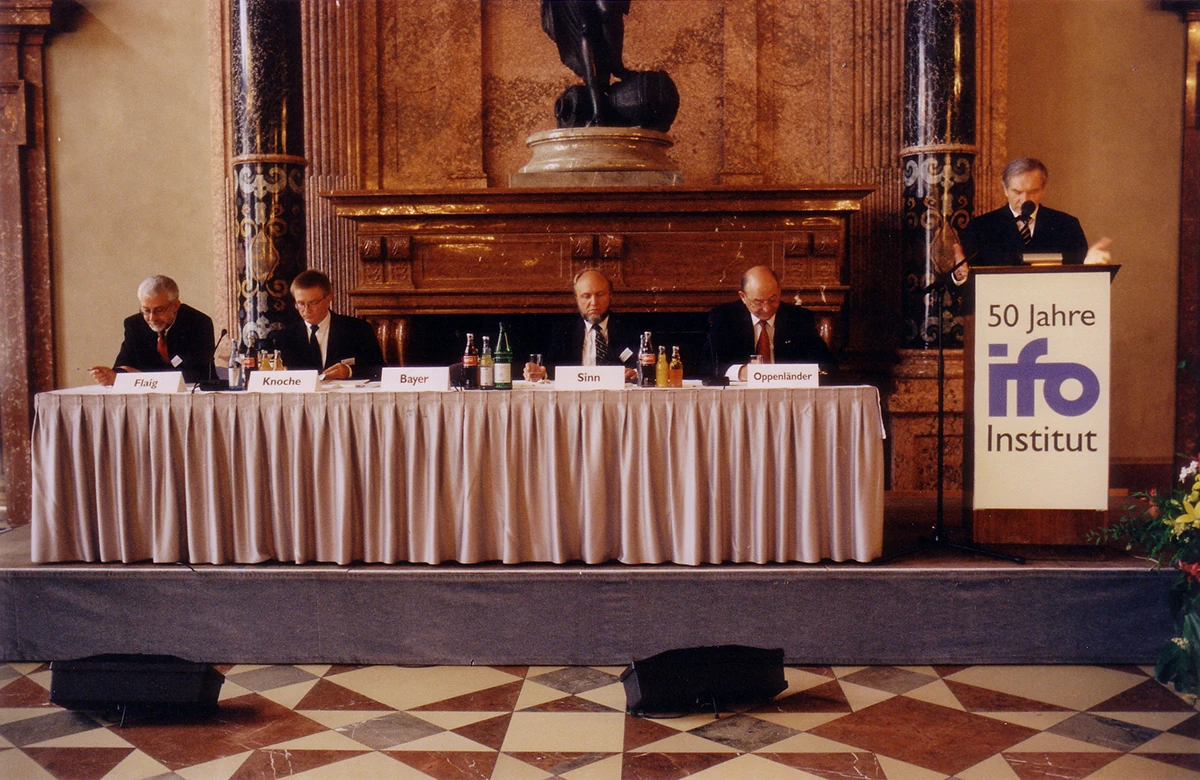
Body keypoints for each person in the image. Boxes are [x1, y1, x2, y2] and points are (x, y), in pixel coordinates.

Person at [954, 157, 1112, 280]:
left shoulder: (1067, 225)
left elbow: (1082, 279)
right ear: (1005, 189)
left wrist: (1091, 268)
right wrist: (959, 276)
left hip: (1054, 314)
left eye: (1033, 192)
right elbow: (962, 288)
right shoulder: (981, 227)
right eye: (1017, 192)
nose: (1025, 200)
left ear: (1044, 188)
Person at [707, 265, 836, 381]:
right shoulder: (724, 317)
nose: (767, 308)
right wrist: (742, 372)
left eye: (773, 299)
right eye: (758, 302)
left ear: (779, 291)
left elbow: (827, 365)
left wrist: (799, 372)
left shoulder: (799, 318)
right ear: (743, 297)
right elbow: (708, 366)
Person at [89, 275, 216, 386]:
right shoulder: (134, 325)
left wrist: (139, 375)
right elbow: (125, 363)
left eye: (159, 310)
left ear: (175, 306)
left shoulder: (198, 323)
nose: (152, 318)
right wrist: (114, 375)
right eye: (146, 310)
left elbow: (195, 373)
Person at [524, 269, 637, 382]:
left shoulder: (630, 327)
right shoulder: (563, 331)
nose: (594, 302)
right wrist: (540, 373)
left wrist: (636, 373)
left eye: (600, 294)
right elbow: (551, 368)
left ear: (610, 295)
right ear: (577, 298)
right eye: (586, 296)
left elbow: (641, 364)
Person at [276, 269, 384, 381]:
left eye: (313, 303)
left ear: (328, 299)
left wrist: (349, 371)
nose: (306, 310)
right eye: (301, 303)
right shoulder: (285, 337)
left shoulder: (358, 329)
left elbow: (379, 370)